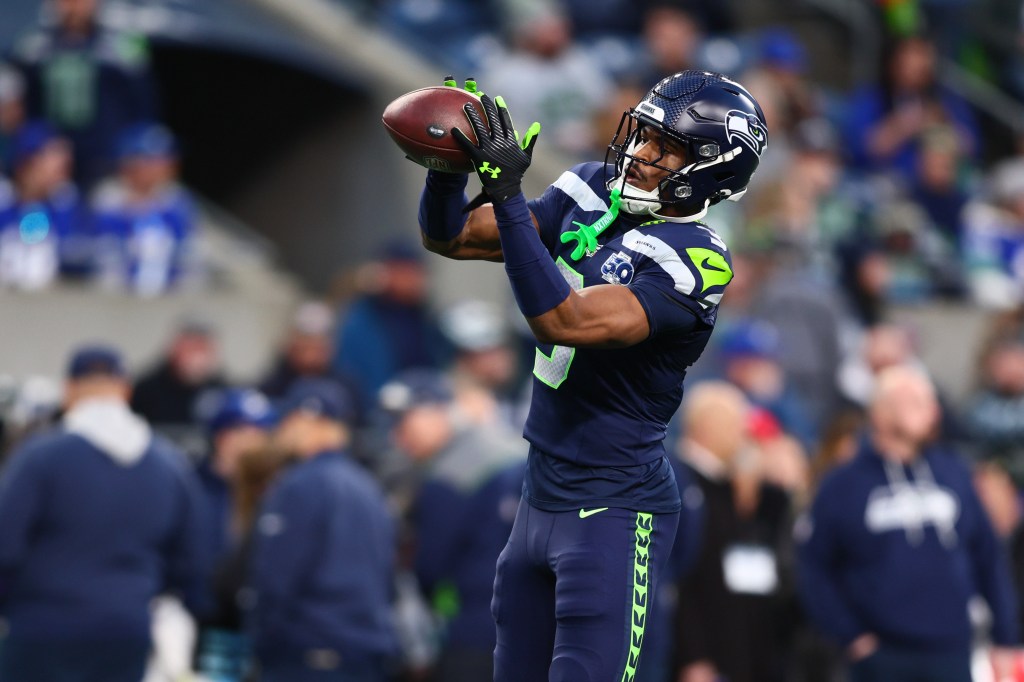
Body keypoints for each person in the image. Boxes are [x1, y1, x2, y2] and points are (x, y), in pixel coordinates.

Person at [417, 70, 767, 680]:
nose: (641, 153)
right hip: (538, 495)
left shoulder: (696, 256)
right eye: (644, 135)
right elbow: (448, 235)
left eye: (666, 148)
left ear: (714, 169)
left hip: (613, 508)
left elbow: (565, 321)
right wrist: (446, 164)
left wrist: (506, 196)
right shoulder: (591, 188)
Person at [797, 366, 1020, 682]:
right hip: (881, 654)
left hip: (951, 648)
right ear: (880, 411)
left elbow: (987, 557)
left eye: (929, 401)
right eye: (914, 401)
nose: (930, 410)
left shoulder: (954, 472)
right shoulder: (842, 484)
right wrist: (849, 635)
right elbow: (814, 566)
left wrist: (1004, 637)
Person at [0, 344, 204, 682]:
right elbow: (191, 559)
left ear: (69, 390)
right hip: (126, 628)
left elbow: (5, 546)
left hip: (43, 625)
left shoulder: (40, 457)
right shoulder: (169, 465)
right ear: (125, 389)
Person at [246, 378, 398, 682]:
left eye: (288, 419)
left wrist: (260, 643)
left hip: (309, 655)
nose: (282, 430)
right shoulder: (368, 486)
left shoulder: (301, 485)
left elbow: (277, 581)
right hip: (365, 654)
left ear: (308, 421)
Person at [380, 369, 526, 681]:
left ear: (436, 411)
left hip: (475, 630)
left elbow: (429, 568)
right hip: (532, 624)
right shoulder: (508, 447)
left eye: (404, 421)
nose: (397, 436)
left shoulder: (450, 474)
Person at [672, 382, 796, 682]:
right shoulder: (680, 484)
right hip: (702, 656)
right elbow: (678, 580)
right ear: (707, 426)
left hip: (741, 647)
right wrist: (692, 655)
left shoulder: (729, 487)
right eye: (737, 423)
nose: (745, 434)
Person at [8, 0, 159, 188]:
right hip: (51, 160)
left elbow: (143, 104)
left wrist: (135, 152)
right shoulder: (34, 46)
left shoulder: (123, 43)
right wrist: (35, 149)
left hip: (108, 157)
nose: (75, 5)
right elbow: (25, 108)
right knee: (43, 213)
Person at [92, 121, 197, 296]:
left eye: (167, 159)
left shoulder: (178, 201)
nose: (166, 166)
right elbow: (102, 263)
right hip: (115, 304)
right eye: (155, 160)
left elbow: (190, 260)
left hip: (167, 301)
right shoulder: (107, 202)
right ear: (130, 163)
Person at [0, 120, 90, 290]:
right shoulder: (4, 204)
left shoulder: (69, 206)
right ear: (28, 161)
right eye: (53, 153)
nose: (65, 160)